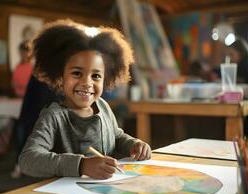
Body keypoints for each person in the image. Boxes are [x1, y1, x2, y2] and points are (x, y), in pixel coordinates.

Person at [19, 19, 151, 179]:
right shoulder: (54, 116)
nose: (87, 83)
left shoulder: (102, 106)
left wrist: (133, 145)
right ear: (60, 76)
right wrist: (82, 165)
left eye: (95, 76)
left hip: (105, 189)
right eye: (76, 73)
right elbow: (28, 160)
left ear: (106, 78)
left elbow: (116, 136)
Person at [11, 75, 62, 178]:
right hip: (33, 112)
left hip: (50, 109)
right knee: (25, 137)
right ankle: (19, 164)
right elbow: (28, 97)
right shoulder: (37, 75)